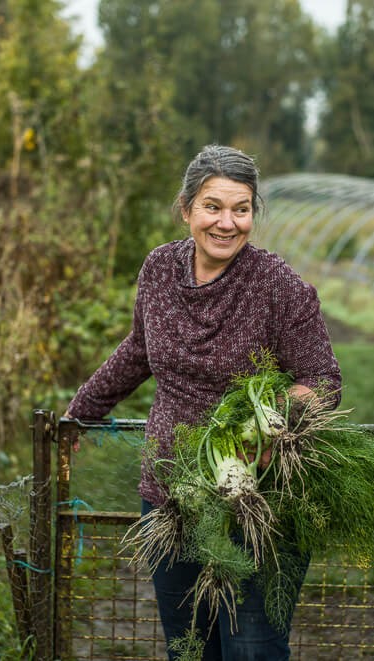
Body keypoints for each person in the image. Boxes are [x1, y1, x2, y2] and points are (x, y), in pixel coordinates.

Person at [65, 144, 341, 660]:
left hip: (256, 499)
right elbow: (139, 350)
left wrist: (259, 430)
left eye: (241, 209)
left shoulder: (277, 286)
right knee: (190, 649)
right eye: (213, 206)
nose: (227, 223)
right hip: (171, 495)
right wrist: (79, 414)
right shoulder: (159, 271)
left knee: (251, 651)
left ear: (253, 213)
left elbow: (322, 381)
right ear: (187, 207)